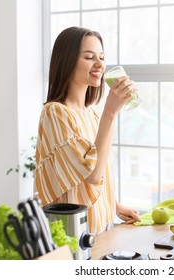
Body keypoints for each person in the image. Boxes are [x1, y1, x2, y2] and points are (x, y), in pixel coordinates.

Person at [33, 26, 141, 234]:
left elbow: (95, 175)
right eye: (89, 57)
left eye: (101, 57)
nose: (100, 64)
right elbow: (91, 175)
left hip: (103, 227)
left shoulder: (91, 114)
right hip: (77, 234)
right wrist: (110, 112)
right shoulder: (55, 113)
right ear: (67, 61)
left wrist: (114, 205)